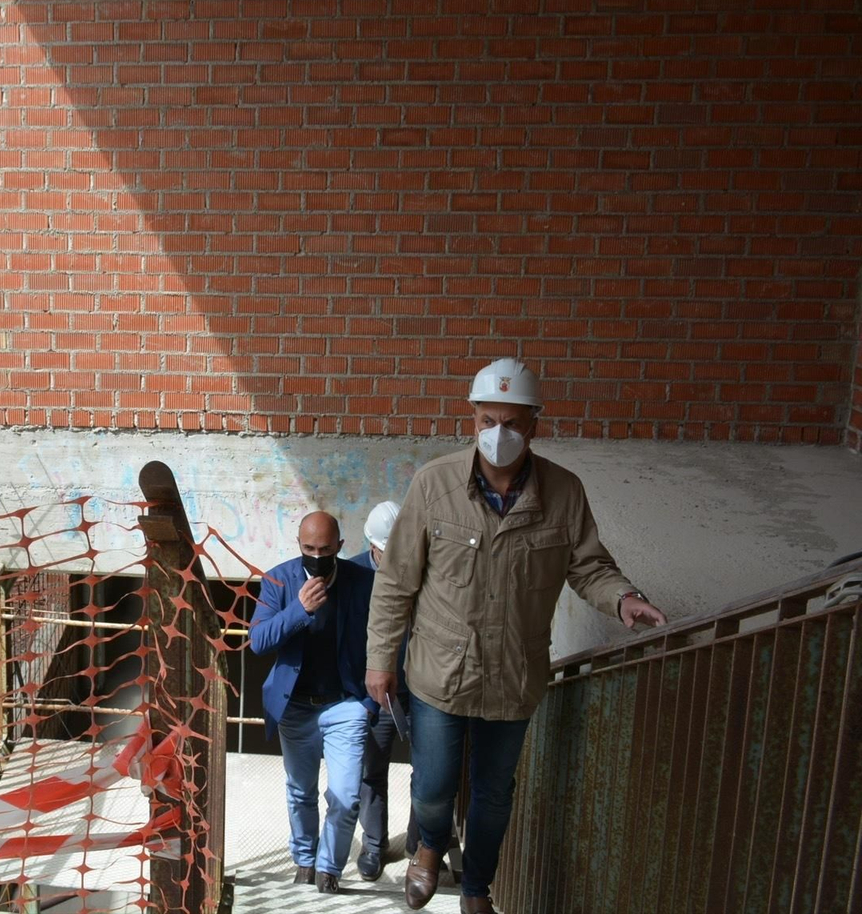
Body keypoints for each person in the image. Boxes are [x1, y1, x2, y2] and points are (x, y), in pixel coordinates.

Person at [365, 358, 667, 914]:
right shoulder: (435, 484)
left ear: (534, 425)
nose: (497, 433)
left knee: (494, 796)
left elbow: (589, 566)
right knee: (432, 786)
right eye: (487, 419)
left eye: (511, 421)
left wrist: (623, 598)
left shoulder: (564, 492)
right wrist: (380, 660)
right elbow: (396, 581)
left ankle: (477, 887)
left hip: (514, 674)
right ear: (472, 419)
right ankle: (430, 846)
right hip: (440, 671)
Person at [249, 511, 379, 895]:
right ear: (299, 546)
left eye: (325, 549)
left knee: (346, 796)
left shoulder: (363, 582)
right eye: (309, 548)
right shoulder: (279, 580)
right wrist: (299, 610)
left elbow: (387, 638)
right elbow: (258, 642)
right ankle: (305, 862)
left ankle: (328, 870)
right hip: (296, 704)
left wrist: (371, 702)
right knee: (300, 791)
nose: (317, 556)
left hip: (346, 703)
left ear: (340, 547)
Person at [350, 500, 417, 882]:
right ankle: (373, 846)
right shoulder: (354, 575)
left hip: (422, 689)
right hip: (376, 693)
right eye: (385, 552)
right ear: (371, 546)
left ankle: (418, 850)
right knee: (372, 769)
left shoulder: (422, 568)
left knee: (427, 773)